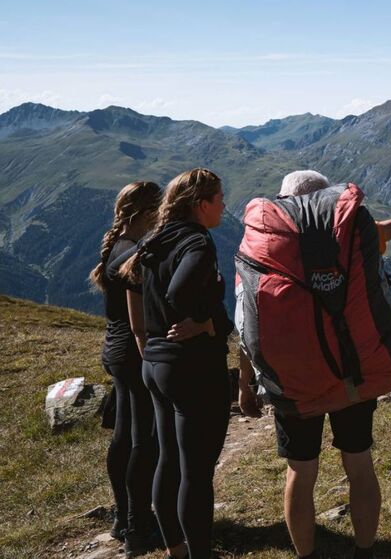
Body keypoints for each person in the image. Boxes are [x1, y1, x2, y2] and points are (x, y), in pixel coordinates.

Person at [237, 170, 391, 559]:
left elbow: (248, 317)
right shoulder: (351, 234)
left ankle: (306, 555)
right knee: (359, 465)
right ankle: (364, 552)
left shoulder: (267, 245)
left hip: (294, 381)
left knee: (300, 474)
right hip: (353, 373)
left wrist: (245, 383)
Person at [119, 168, 234, 559]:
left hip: (154, 363)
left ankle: (176, 549)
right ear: (202, 205)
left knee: (168, 460)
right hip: (190, 370)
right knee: (196, 472)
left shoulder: (155, 238)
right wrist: (207, 320)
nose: (224, 206)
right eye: (220, 199)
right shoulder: (197, 241)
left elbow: (139, 287)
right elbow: (181, 290)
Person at [89, 181, 162, 552]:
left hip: (114, 351)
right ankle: (138, 526)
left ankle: (123, 516)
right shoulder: (133, 254)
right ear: (148, 211)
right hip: (134, 354)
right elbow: (140, 320)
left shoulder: (116, 247)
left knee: (124, 436)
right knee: (143, 443)